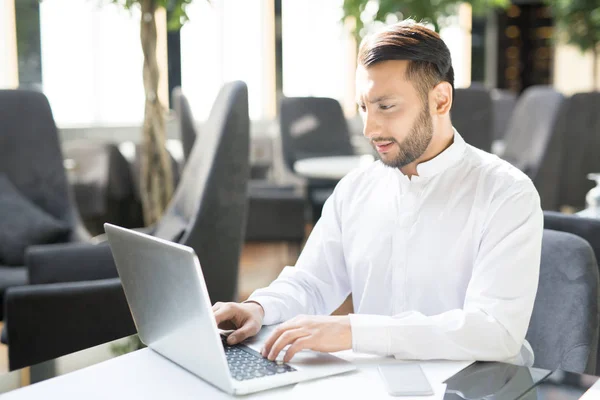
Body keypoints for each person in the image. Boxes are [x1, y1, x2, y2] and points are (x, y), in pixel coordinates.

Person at [213, 21, 542, 366]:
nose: (370, 129)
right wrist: (257, 307)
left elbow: (495, 331)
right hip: (374, 382)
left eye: (386, 107)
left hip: (471, 388)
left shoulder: (506, 193)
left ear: (440, 100)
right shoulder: (355, 189)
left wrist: (354, 332)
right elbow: (312, 282)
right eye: (363, 108)